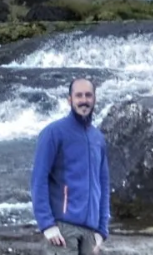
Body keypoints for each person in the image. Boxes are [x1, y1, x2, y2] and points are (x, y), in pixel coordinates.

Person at [31, 75, 110, 254]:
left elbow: (103, 185)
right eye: (79, 96)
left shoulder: (98, 138)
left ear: (94, 99)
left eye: (88, 95)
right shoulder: (53, 133)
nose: (84, 100)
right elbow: (38, 179)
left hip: (91, 232)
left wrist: (102, 230)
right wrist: (47, 225)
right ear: (70, 100)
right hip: (63, 228)